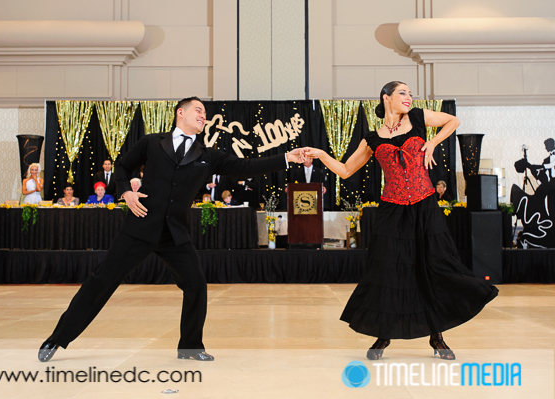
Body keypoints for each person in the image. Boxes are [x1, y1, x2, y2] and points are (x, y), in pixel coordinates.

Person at [38, 96, 304, 363]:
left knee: (196, 284)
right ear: (181, 113)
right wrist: (124, 193)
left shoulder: (207, 155)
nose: (203, 116)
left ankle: (190, 347)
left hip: (174, 234)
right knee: (101, 281)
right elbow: (121, 164)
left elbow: (245, 166)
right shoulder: (152, 142)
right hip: (139, 227)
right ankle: (57, 338)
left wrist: (286, 157)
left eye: (205, 113)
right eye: (198, 110)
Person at [303, 81, 498, 361]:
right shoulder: (372, 138)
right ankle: (384, 334)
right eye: (402, 93)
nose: (408, 97)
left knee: (432, 264)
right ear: (387, 98)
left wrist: (432, 142)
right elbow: (345, 170)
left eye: (410, 93)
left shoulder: (418, 118)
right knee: (389, 271)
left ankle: (437, 336)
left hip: (424, 205)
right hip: (392, 209)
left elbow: (452, 120)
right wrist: (321, 154)